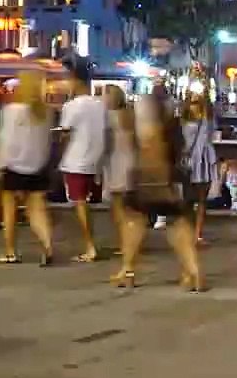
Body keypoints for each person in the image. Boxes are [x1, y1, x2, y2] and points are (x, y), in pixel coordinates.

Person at [113, 89, 205, 291]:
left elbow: (148, 147)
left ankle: (128, 271)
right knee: (178, 224)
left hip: (150, 178)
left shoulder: (148, 122)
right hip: (174, 177)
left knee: (135, 221)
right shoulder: (174, 125)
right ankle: (193, 271)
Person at [0, 72, 55, 266]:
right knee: (37, 210)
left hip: (13, 166)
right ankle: (47, 245)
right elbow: (47, 142)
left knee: (9, 210)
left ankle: (10, 251)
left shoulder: (11, 110)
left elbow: (7, 141)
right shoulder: (46, 112)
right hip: (38, 167)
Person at [59, 72, 107, 263]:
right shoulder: (100, 105)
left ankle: (90, 246)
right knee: (88, 204)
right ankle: (92, 244)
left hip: (76, 159)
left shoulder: (71, 106)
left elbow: (65, 132)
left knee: (79, 204)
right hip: (96, 159)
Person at [101, 86, 134, 258]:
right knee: (129, 209)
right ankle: (131, 241)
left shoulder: (109, 117)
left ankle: (124, 243)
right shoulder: (130, 116)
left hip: (115, 163)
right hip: (131, 163)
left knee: (118, 208)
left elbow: (106, 144)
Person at [180, 95, 218, 244]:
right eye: (193, 103)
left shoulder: (201, 122)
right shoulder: (202, 122)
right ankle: (193, 233)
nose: (194, 106)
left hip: (197, 161)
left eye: (197, 103)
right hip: (195, 162)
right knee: (190, 201)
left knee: (200, 200)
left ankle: (196, 234)